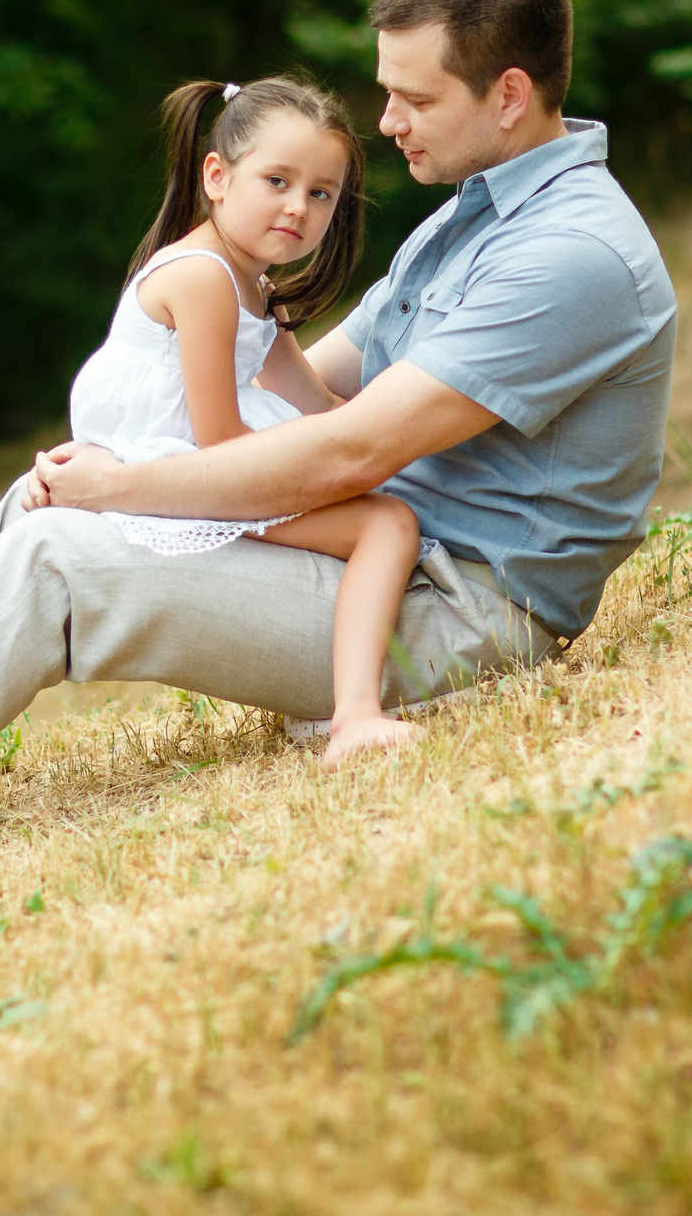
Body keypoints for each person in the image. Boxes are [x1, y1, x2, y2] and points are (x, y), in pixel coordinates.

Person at [0, 0, 675, 920]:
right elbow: (319, 382)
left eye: (412, 98)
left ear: (507, 96)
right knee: (42, 501)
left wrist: (128, 487)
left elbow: (353, 447)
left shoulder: (566, 254)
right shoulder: (469, 219)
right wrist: (137, 441)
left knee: (61, 552)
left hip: (465, 618)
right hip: (394, 561)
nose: (389, 122)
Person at [67, 74, 424, 770]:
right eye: (278, 181)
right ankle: (354, 713)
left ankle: (342, 687)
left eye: (321, 193)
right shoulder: (202, 277)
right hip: (173, 467)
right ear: (217, 176)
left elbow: (319, 406)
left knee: (385, 504)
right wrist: (333, 478)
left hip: (202, 456)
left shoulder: (252, 283)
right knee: (385, 524)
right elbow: (221, 444)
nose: (299, 207)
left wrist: (411, 444)